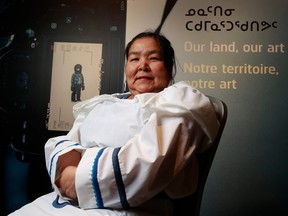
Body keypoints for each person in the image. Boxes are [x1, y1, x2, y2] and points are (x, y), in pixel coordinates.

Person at [8, 31, 220, 216]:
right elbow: (64, 143)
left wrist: (78, 177)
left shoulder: (178, 104)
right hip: (65, 202)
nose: (142, 66)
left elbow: (148, 163)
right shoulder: (104, 103)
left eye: (153, 58)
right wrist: (68, 172)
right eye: (134, 59)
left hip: (129, 208)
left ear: (170, 67)